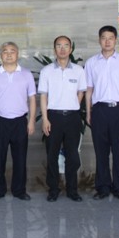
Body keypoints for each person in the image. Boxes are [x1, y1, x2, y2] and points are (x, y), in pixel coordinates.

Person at [85, 25, 119, 201]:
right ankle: (103, 187)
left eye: (110, 38)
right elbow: (89, 89)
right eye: (104, 38)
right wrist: (88, 112)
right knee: (101, 150)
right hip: (99, 110)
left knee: (118, 149)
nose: (107, 41)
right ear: (99, 40)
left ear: (116, 40)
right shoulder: (91, 63)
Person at [38, 36, 87, 202]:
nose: (63, 49)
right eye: (59, 46)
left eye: (66, 46)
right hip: (53, 117)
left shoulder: (79, 70)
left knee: (72, 156)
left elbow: (81, 92)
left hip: (73, 118)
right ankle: (53, 189)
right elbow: (43, 96)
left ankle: (72, 190)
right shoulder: (46, 71)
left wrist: (73, 106)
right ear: (54, 50)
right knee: (52, 155)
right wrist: (45, 119)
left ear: (71, 49)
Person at [0, 42, 36, 201]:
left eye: (12, 51)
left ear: (18, 54)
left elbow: (32, 99)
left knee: (20, 158)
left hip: (20, 122)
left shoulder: (26, 74)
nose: (9, 54)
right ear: (0, 55)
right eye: (5, 51)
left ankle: (19, 190)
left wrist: (31, 121)